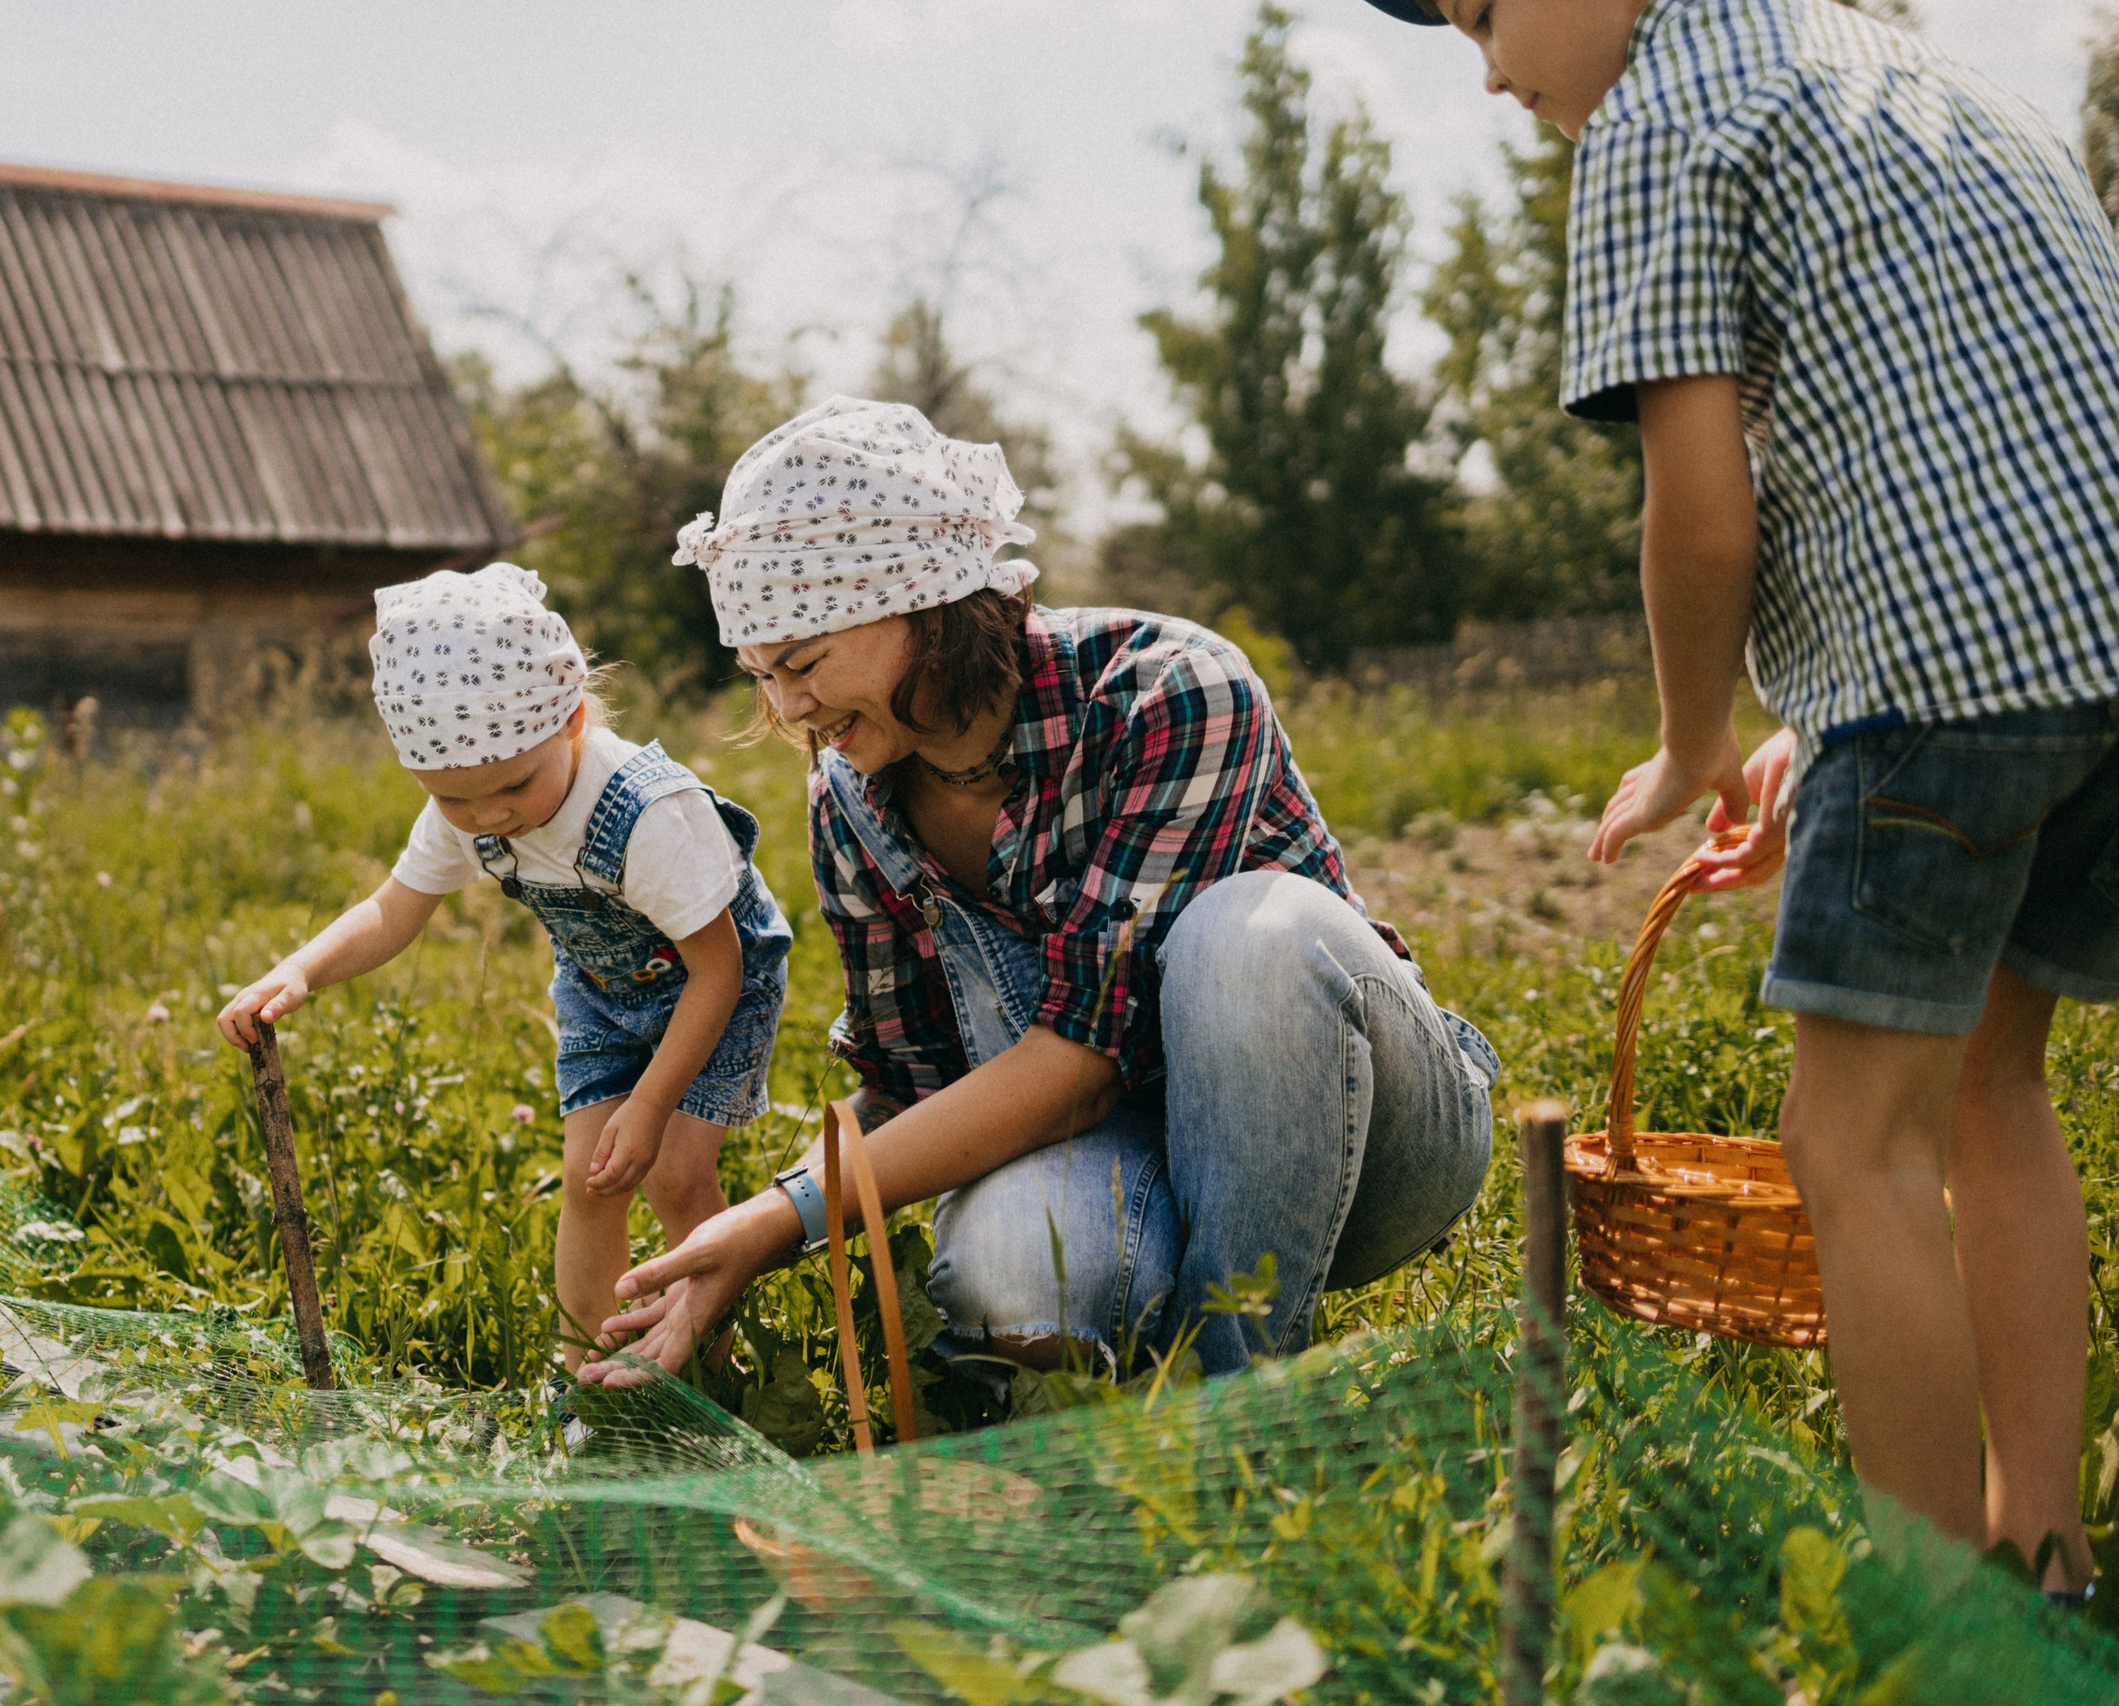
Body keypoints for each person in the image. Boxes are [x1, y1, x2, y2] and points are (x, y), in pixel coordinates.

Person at [1357, 0, 2119, 1601]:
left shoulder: (1659, 122)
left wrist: (1696, 740)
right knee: (1995, 1095)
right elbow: (1955, 446)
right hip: (2088, 654)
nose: (1493, 70)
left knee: (1851, 1142)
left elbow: (1702, 519)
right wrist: (1811, 730)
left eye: (1487, 13)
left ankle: (1927, 1614)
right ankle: (2038, 1540)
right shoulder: (1909, 68)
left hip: (1945, 682)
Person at [578, 397, 1498, 1391]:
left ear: (923, 600)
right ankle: (1126, 1373)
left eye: (802, 661)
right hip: (1129, 1153)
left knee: (1246, 935)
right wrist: (753, 1222)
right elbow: (909, 1090)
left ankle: (1237, 1408)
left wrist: (778, 1219)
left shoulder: (1171, 692)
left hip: (1366, 1143)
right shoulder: (852, 803)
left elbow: (1083, 1062)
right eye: (761, 675)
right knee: (1006, 1272)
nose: (788, 708)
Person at [216, 563, 792, 1371]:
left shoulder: (649, 817)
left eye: (514, 787)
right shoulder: (475, 790)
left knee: (672, 1173)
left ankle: (711, 1362)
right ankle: (585, 1373)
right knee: (592, 1179)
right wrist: (301, 971)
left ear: (572, 721)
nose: (489, 817)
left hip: (713, 983)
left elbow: (719, 970)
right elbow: (394, 907)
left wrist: (653, 1102)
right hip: (600, 990)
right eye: (456, 801)